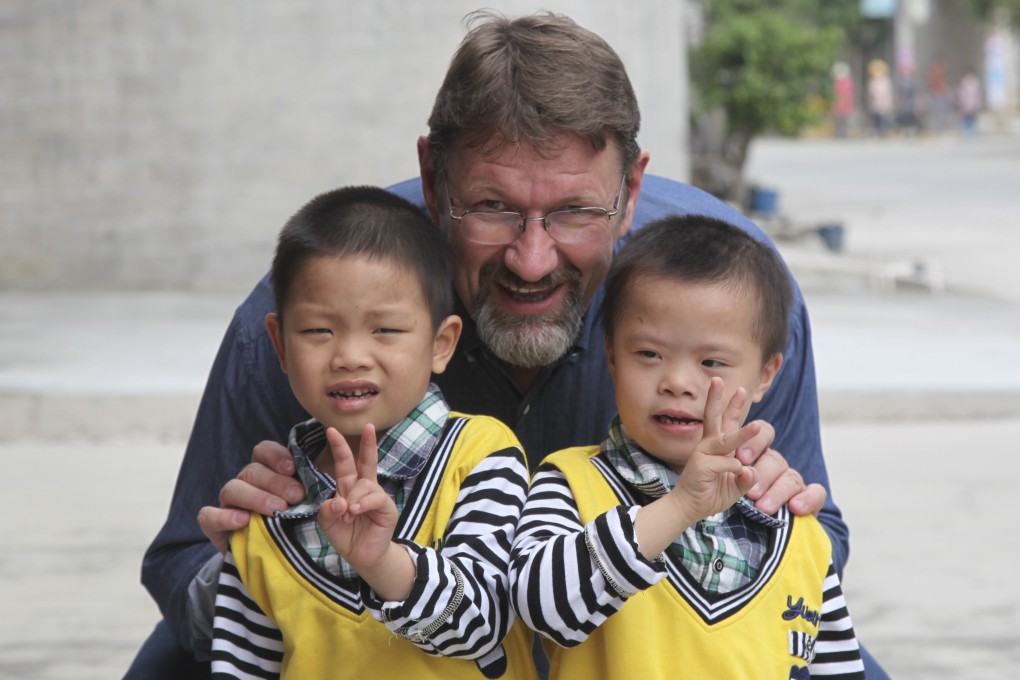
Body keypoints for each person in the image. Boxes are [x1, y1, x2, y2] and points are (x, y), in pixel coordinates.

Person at [130, 10, 889, 679]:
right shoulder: (316, 313)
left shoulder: (732, 299)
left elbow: (817, 558)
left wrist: (770, 516)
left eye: (573, 212)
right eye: (492, 207)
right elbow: (180, 562)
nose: (532, 259)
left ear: (630, 192)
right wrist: (260, 556)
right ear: (433, 180)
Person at [509, 215, 865, 679]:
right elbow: (540, 609)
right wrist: (679, 508)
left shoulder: (796, 526)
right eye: (649, 354)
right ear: (611, 356)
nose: (677, 382)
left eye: (711, 361)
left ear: (766, 375)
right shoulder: (570, 486)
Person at [210, 186, 536, 678]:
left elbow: (483, 624)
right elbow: (240, 665)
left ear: (441, 343)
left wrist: (383, 562)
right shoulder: (264, 511)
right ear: (279, 343)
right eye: (320, 331)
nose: (350, 356)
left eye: (385, 330)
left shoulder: (482, 456)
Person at [866, 58, 894, 137]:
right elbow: (871, 92)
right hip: (875, 103)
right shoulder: (872, 81)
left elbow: (887, 92)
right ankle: (877, 131)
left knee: (884, 118)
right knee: (876, 118)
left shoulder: (886, 81)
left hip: (883, 103)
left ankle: (884, 131)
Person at [831, 61, 855, 139]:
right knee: (838, 120)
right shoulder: (835, 83)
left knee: (845, 120)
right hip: (838, 104)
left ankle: (844, 133)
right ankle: (839, 133)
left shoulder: (848, 83)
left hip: (846, 104)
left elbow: (849, 94)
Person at [958, 67, 983, 136]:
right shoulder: (964, 81)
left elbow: (978, 93)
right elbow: (962, 93)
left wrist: (978, 102)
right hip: (966, 102)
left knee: (973, 117)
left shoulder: (976, 81)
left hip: (974, 102)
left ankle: (973, 131)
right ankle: (967, 131)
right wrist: (961, 102)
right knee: (966, 117)